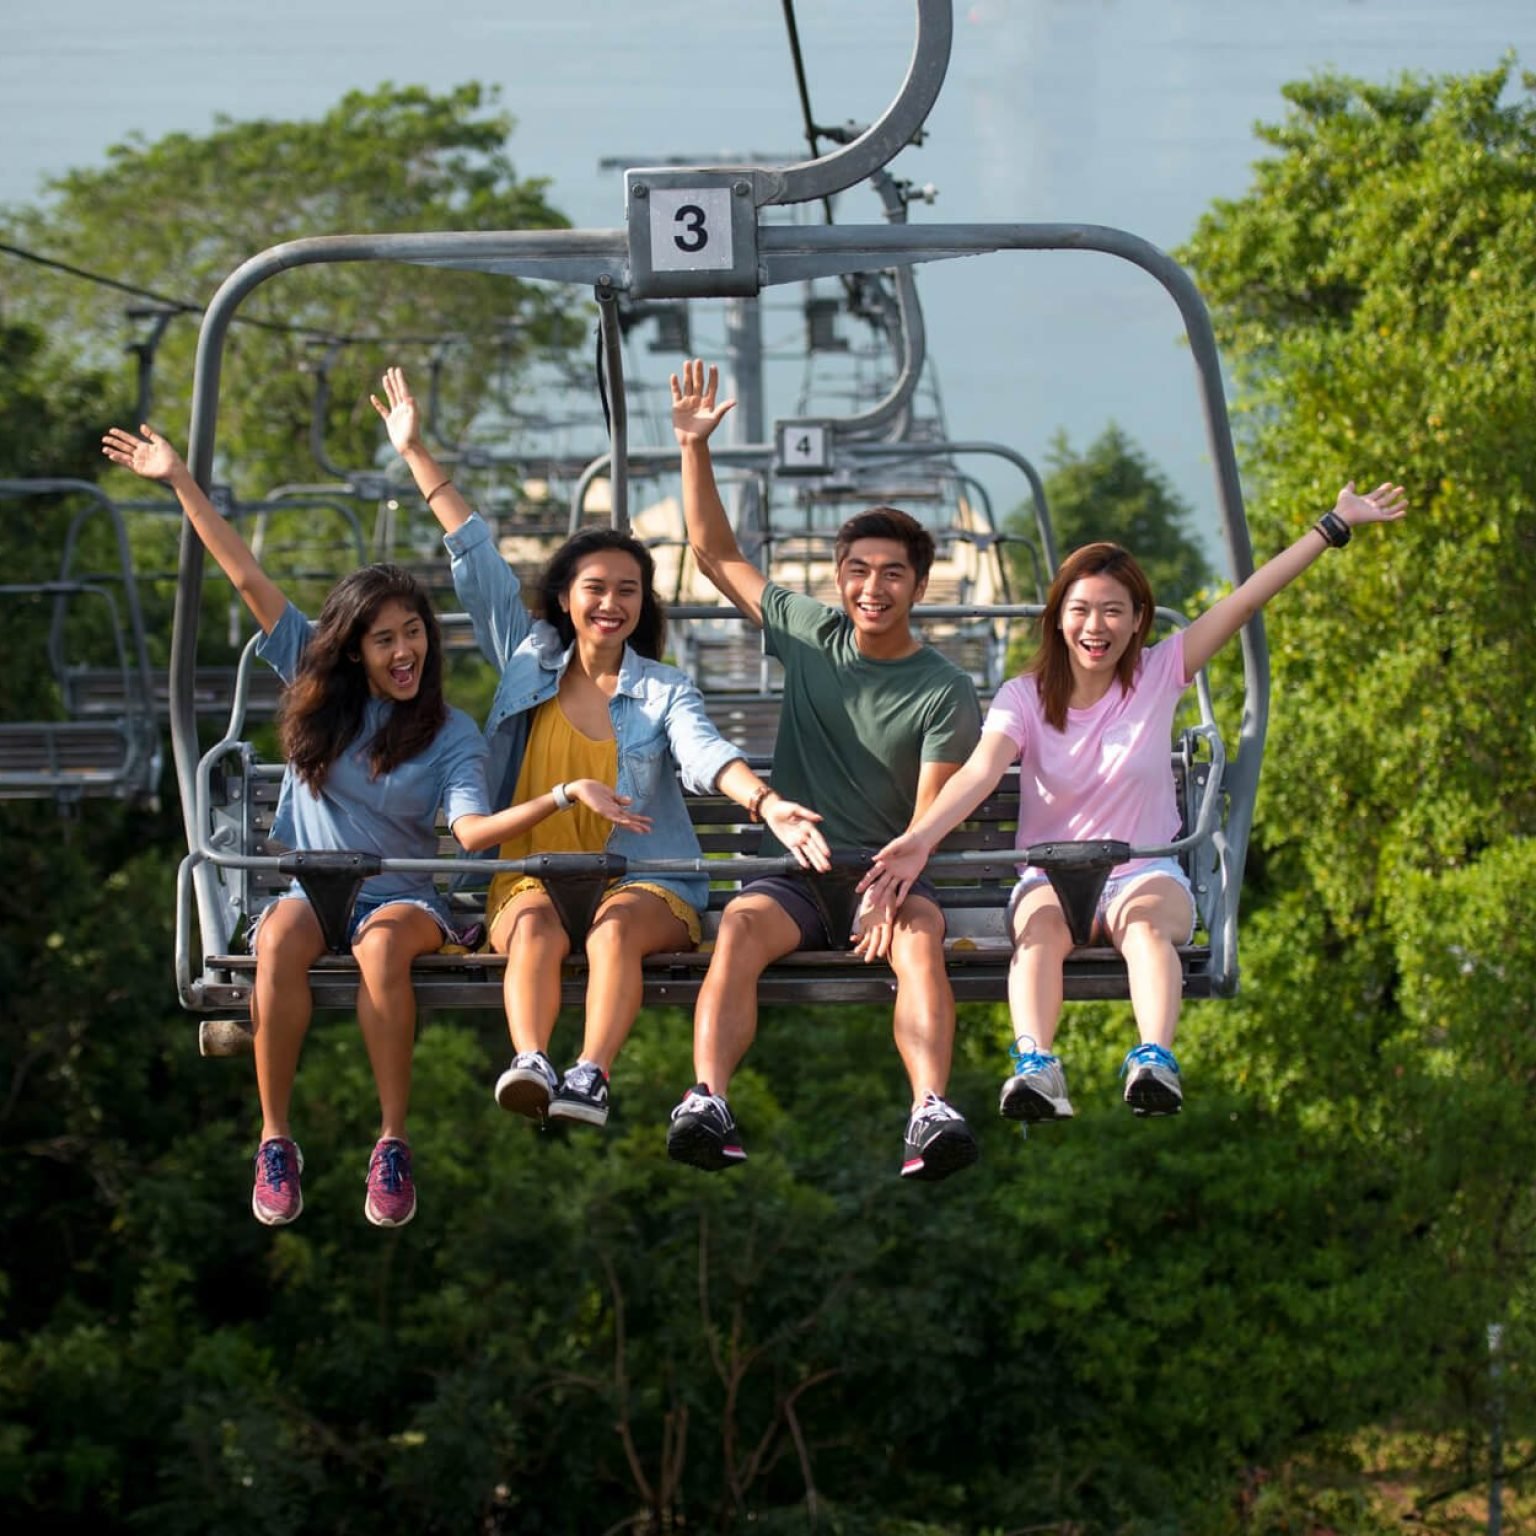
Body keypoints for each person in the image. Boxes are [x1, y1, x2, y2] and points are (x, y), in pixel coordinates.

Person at [102, 425, 648, 1229]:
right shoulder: (322, 696)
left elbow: (469, 834)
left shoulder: (450, 732)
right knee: (280, 940)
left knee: (384, 945)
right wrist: (181, 480)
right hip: (310, 884)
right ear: (354, 650)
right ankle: (275, 1138)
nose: (406, 653)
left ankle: (392, 1142)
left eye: (415, 633)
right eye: (385, 639)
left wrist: (561, 793)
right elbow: (247, 576)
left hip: (399, 897)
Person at [861, 481, 1408, 1123]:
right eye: (1082, 610)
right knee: (1037, 937)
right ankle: (1037, 1066)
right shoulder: (1024, 696)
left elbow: (1248, 599)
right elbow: (981, 771)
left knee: (1146, 929)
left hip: (1144, 869)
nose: (1096, 628)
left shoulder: (1159, 673)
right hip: (1051, 873)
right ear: (1059, 617)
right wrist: (921, 837)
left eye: (1114, 611)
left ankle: (1154, 1059)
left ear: (1138, 621)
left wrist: (1332, 526)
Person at [371, 367, 829, 1129]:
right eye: (596, 588)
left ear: (643, 603)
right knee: (536, 929)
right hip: (530, 871)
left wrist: (765, 800)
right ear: (563, 597)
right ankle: (531, 1059)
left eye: (628, 590)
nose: (612, 603)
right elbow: (475, 559)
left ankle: (589, 1073)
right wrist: (416, 453)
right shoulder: (528, 660)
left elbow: (704, 751)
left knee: (615, 928)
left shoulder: (662, 689)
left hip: (644, 877)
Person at [664, 359, 985, 1181]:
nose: (872, 588)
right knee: (736, 928)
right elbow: (713, 552)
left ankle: (929, 1109)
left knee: (920, 947)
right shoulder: (809, 632)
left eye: (891, 574)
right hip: (800, 878)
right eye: (858, 571)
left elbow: (927, 820)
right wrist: (694, 448)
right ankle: (708, 1097)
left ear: (918, 585)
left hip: (894, 876)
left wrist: (888, 887)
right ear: (840, 577)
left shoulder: (943, 689)